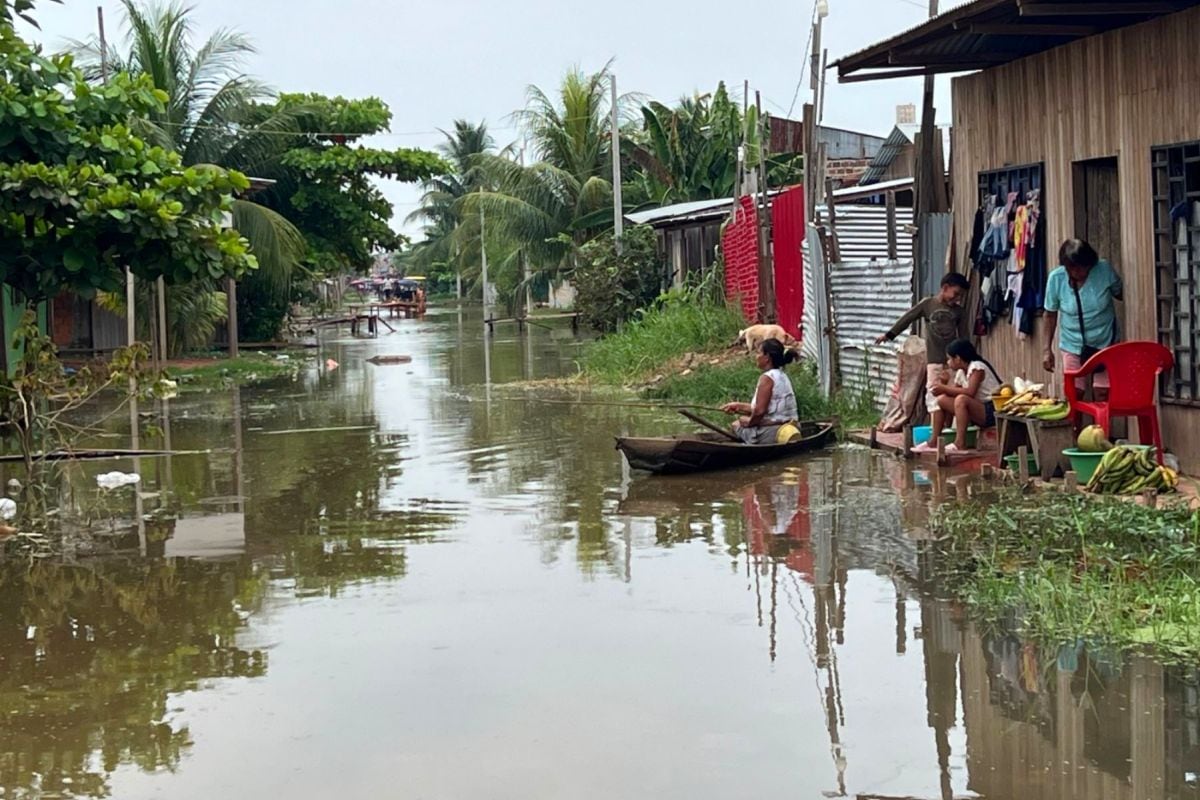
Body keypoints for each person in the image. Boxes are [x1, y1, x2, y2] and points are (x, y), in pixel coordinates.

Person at [876, 273, 970, 424]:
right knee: (933, 398)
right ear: (945, 288)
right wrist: (889, 335)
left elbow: (964, 336)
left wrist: (966, 362)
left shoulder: (959, 312)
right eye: (956, 293)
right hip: (934, 361)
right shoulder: (928, 305)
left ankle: (951, 431)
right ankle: (936, 432)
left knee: (953, 397)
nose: (957, 299)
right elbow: (907, 318)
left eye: (960, 296)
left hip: (954, 363)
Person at [1042, 238, 1123, 392]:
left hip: (1105, 341)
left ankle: (1103, 417)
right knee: (1074, 392)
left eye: (1082, 267)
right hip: (1073, 343)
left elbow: (1120, 292)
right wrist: (1047, 350)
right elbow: (1050, 315)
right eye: (1073, 268)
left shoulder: (1104, 270)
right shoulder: (1056, 279)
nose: (1078, 272)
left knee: (1104, 392)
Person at [913, 338, 1002, 454]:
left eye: (950, 359)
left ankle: (960, 443)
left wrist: (944, 388)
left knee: (961, 400)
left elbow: (970, 392)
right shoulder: (961, 373)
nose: (948, 362)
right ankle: (933, 441)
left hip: (991, 410)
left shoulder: (977, 367)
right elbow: (952, 394)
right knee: (941, 400)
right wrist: (944, 384)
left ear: (958, 359)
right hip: (978, 409)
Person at [721, 338, 799, 444]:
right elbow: (766, 408)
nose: (756, 357)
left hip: (777, 431)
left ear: (767, 357)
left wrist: (749, 423)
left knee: (736, 424)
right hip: (793, 427)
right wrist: (738, 406)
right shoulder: (781, 375)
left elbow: (759, 412)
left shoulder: (767, 378)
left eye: (758, 353)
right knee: (742, 421)